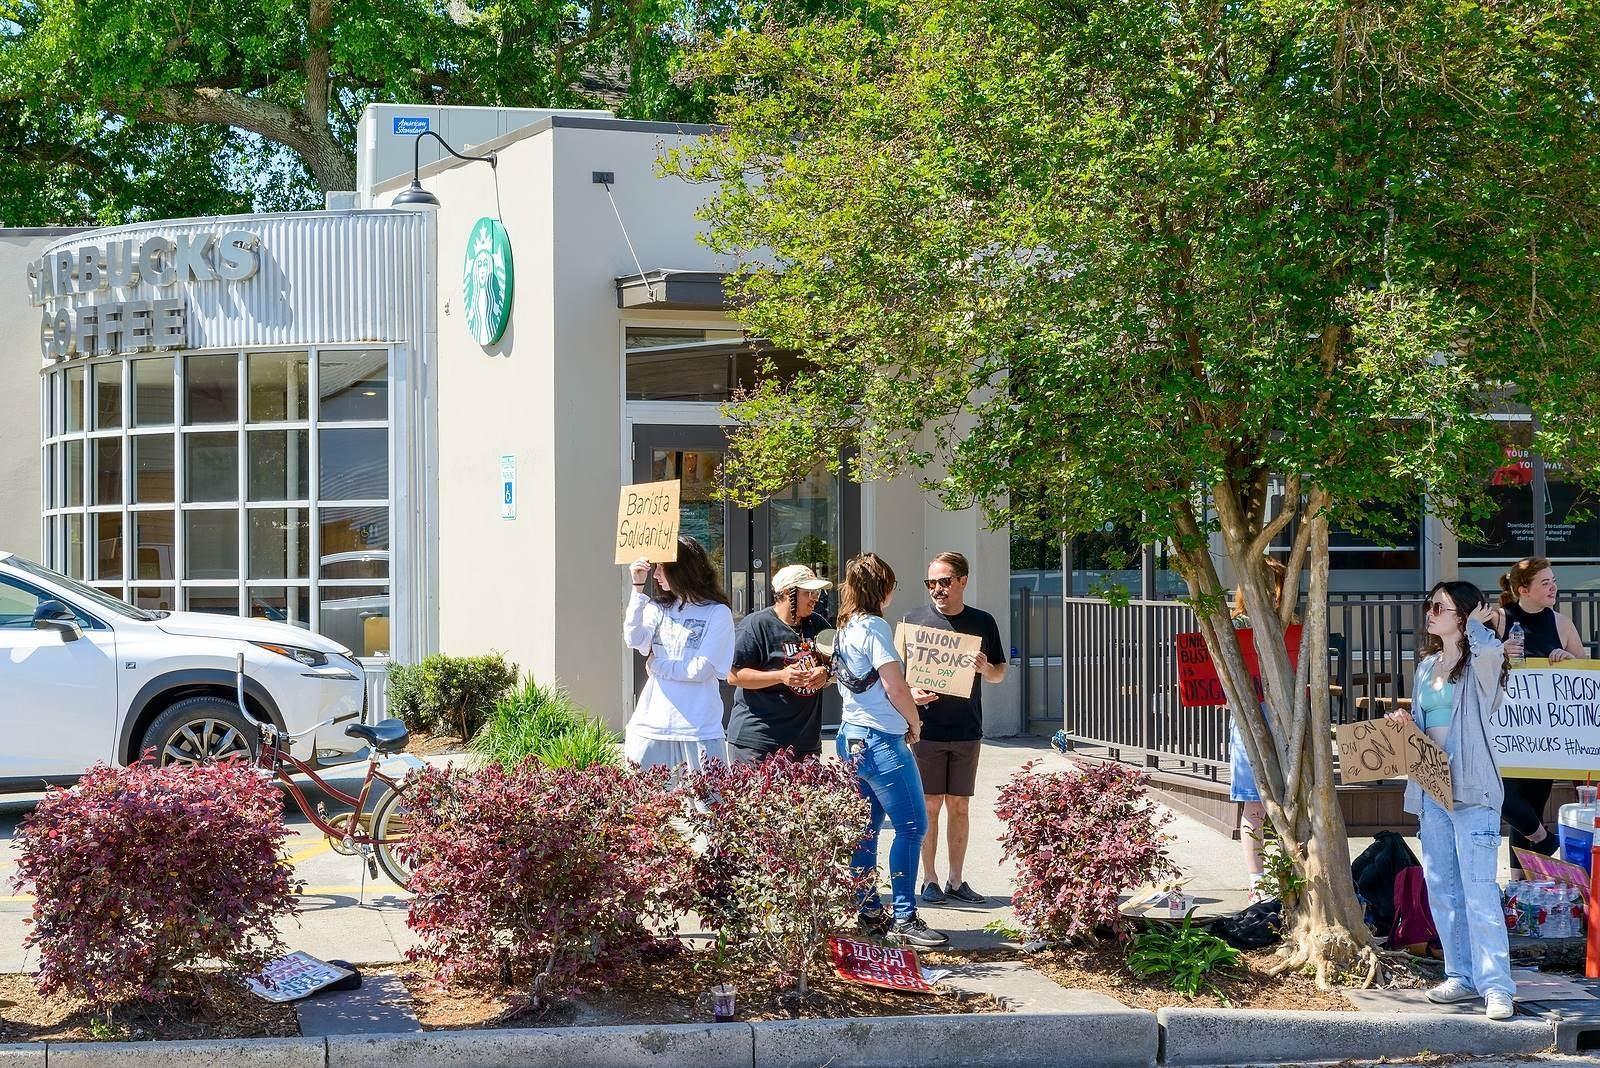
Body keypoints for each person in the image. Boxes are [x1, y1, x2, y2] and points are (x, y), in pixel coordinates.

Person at [1386, 581, 1515, 1021]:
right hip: (1432, 790)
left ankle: (1497, 986)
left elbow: (1491, 652)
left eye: (1439, 606)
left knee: (1479, 890)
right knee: (1442, 886)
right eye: (1429, 605)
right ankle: (1459, 975)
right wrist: (1405, 722)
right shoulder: (1426, 667)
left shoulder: (1483, 660)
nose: (1430, 612)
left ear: (1462, 615)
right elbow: (1423, 730)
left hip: (1473, 791)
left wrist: (1481, 623)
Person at [830, 552, 947, 948]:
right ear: (884, 589)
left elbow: (868, 687)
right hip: (882, 740)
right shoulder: (877, 627)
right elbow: (894, 687)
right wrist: (914, 722)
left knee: (866, 830)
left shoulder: (845, 628)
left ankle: (867, 908)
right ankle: (905, 916)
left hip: (851, 737)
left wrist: (904, 700)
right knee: (913, 827)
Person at [900, 551, 1006, 905]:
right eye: (931, 582)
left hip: (966, 728)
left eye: (944, 582)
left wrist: (985, 668)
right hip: (925, 730)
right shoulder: (914, 620)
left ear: (963, 581)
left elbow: (999, 673)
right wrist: (911, 694)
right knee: (929, 805)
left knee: (959, 805)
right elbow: (896, 676)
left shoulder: (982, 622)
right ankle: (929, 880)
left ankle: (956, 880)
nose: (937, 589)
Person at [1492, 557, 1585, 866]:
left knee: (1532, 806)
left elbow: (1584, 678)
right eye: (1545, 583)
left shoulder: (1561, 623)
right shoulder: (1499, 620)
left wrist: (1567, 659)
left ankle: (1521, 888)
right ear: (1523, 589)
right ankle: (1546, 841)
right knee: (1501, 796)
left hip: (1543, 733)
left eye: (1554, 580)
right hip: (1503, 728)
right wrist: (1499, 653)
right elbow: (1472, 662)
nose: (1553, 587)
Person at [621, 535, 735, 772]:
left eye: (661, 567)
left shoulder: (718, 613)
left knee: (707, 805)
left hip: (698, 728)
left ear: (681, 570)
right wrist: (636, 589)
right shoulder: (658, 608)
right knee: (648, 805)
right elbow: (634, 639)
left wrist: (657, 666)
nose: (655, 574)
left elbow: (700, 670)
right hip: (652, 724)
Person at [726, 564, 834, 762]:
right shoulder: (756, 625)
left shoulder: (818, 625)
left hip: (805, 744)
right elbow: (733, 676)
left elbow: (839, 666)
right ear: (787, 593)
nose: (815, 598)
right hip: (758, 743)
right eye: (808, 592)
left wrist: (826, 673)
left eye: (816, 592)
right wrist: (781, 676)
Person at [1228, 558, 1288, 903]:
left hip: (1281, 723)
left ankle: (1275, 879)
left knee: (1278, 805)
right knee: (1255, 806)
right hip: (1252, 722)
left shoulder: (1287, 625)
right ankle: (1258, 882)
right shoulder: (1236, 626)